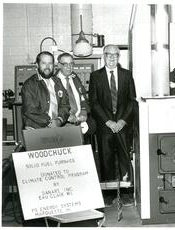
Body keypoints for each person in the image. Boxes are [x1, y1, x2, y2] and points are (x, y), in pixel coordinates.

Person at [89, 44, 137, 206]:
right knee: (106, 159)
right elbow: (94, 103)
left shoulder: (127, 75)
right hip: (105, 126)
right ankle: (108, 195)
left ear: (119, 57)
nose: (112, 57)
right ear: (103, 56)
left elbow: (132, 101)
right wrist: (108, 122)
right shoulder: (96, 76)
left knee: (125, 158)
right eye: (108, 54)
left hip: (124, 126)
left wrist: (122, 121)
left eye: (115, 54)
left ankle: (126, 194)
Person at [21, 51, 70, 129]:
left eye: (50, 63)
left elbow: (65, 104)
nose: (47, 66)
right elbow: (30, 110)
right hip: (37, 128)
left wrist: (59, 120)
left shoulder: (57, 81)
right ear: (37, 65)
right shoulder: (29, 85)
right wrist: (49, 122)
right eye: (44, 63)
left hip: (57, 126)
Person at [56, 52, 96, 139]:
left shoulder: (74, 77)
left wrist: (84, 111)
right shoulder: (53, 81)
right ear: (59, 65)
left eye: (71, 64)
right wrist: (66, 116)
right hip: (64, 124)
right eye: (65, 64)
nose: (69, 67)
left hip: (79, 122)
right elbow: (52, 105)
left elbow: (83, 97)